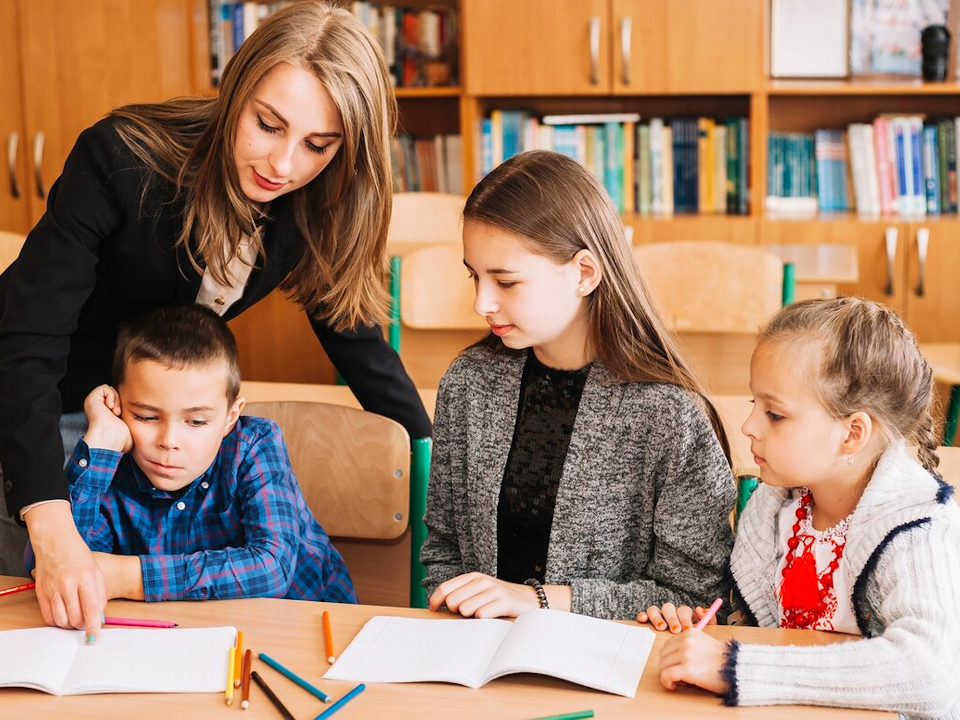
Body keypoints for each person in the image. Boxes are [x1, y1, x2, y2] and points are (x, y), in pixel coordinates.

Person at [0, 0, 429, 642]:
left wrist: (437, 462)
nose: (283, 165)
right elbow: (26, 343)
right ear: (235, 89)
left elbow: (355, 336)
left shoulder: (314, 199)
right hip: (40, 403)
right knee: (40, 613)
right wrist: (50, 518)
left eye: (317, 145)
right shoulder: (119, 160)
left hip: (142, 418)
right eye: (267, 125)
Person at [420, 150, 736, 621]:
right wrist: (455, 604)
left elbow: (695, 596)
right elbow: (443, 551)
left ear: (584, 273)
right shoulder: (468, 384)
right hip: (479, 664)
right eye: (475, 276)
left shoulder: (668, 411)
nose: (481, 303)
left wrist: (539, 601)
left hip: (611, 674)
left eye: (505, 282)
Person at [641, 297, 960, 718]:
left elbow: (932, 673)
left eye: (774, 414)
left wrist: (736, 666)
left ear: (852, 434)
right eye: (754, 404)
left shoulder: (918, 527)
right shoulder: (775, 512)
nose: (748, 426)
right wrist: (712, 629)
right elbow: (776, 629)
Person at [25, 305, 356, 637]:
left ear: (230, 416)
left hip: (305, 630)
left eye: (196, 421)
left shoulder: (254, 445)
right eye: (146, 417)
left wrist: (128, 576)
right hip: (181, 637)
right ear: (118, 403)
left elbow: (272, 567)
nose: (169, 442)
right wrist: (100, 444)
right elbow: (53, 566)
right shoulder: (110, 460)